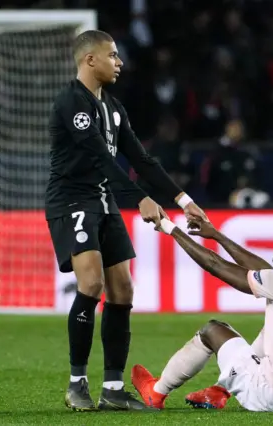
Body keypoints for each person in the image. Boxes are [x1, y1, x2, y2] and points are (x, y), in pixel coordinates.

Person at [45, 30, 208, 411]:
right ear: (90, 60)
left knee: (123, 293)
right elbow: (101, 159)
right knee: (93, 281)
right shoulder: (73, 103)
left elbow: (140, 160)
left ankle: (114, 389)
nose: (119, 62)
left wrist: (185, 200)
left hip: (103, 200)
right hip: (72, 200)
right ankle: (77, 384)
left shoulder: (113, 107)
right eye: (113, 55)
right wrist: (140, 199)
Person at [131, 219, 273, 412]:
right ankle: (219, 391)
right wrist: (217, 236)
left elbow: (215, 265)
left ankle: (156, 392)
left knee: (213, 330)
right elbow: (265, 271)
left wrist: (171, 229)